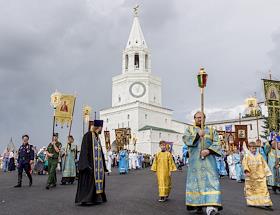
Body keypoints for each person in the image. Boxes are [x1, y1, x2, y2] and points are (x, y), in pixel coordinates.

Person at [183, 111, 222, 215]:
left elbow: (218, 143)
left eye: (201, 117)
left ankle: (211, 207)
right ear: (194, 119)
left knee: (212, 182)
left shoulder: (211, 130)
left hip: (209, 162)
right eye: (197, 117)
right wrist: (197, 135)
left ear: (205, 118)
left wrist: (208, 151)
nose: (199, 119)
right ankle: (197, 204)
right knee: (195, 184)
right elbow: (186, 139)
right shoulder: (189, 129)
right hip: (195, 163)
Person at [75, 120, 108, 205]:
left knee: (95, 181)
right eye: (101, 127)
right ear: (99, 127)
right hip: (89, 164)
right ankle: (86, 199)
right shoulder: (88, 135)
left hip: (97, 166)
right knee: (89, 181)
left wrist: (103, 165)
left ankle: (96, 198)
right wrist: (85, 164)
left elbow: (101, 153)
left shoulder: (97, 137)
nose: (102, 129)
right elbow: (84, 150)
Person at [242, 141, 273, 209]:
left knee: (263, 189)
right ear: (249, 148)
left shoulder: (260, 156)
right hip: (251, 177)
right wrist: (246, 170)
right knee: (252, 191)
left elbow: (264, 164)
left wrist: (267, 173)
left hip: (260, 176)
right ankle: (252, 202)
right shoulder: (246, 156)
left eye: (255, 148)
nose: (254, 150)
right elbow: (244, 164)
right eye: (252, 148)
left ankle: (266, 202)